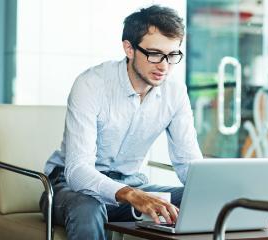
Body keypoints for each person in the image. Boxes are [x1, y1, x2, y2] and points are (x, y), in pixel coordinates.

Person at [40, 4, 203, 239]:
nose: (164, 65)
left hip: (132, 186)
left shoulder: (175, 93)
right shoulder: (91, 85)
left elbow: (188, 163)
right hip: (68, 189)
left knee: (202, 200)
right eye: (155, 54)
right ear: (129, 48)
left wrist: (232, 203)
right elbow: (77, 171)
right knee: (89, 208)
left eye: (172, 55)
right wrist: (131, 195)